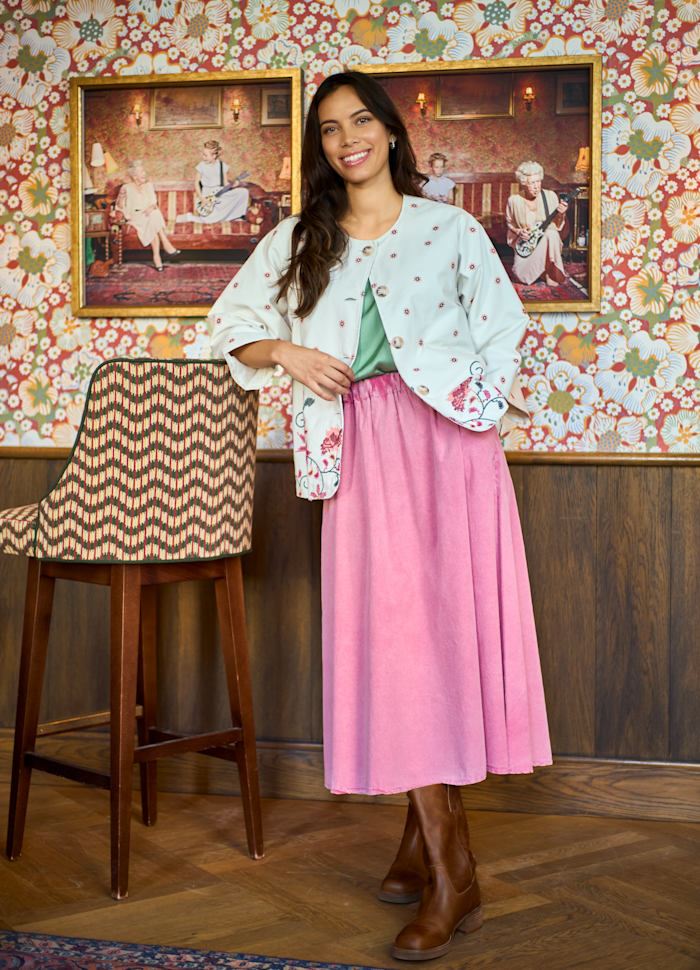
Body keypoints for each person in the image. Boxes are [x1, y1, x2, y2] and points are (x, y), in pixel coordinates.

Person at [209, 71, 551, 962]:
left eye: (360, 121)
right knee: (402, 645)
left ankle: (444, 866)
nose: (346, 138)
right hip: (356, 447)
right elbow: (226, 325)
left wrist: (473, 407)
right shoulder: (300, 240)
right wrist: (286, 352)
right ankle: (441, 855)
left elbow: (504, 328)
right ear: (319, 148)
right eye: (329, 129)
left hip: (450, 450)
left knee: (443, 639)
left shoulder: (449, 229)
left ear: (390, 132)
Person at [505, 160, 569, 287]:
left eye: (538, 181)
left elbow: (558, 226)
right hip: (526, 246)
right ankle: (539, 269)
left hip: (548, 242)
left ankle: (550, 271)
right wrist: (519, 232)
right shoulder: (514, 201)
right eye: (532, 183)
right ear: (524, 184)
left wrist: (562, 214)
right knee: (521, 276)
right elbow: (510, 223)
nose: (536, 186)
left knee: (551, 233)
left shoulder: (550, 196)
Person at [115, 160, 181, 272]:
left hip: (148, 214)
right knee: (154, 216)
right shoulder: (126, 187)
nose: (144, 173)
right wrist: (121, 197)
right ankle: (166, 244)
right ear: (135, 176)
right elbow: (119, 207)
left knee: (154, 215)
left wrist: (151, 207)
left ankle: (157, 257)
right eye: (141, 172)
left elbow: (153, 202)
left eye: (144, 171)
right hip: (136, 216)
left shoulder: (149, 186)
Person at [176, 139, 250, 225]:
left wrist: (234, 184)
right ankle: (190, 217)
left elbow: (225, 184)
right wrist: (202, 198)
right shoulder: (201, 166)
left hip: (220, 194)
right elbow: (196, 183)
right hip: (207, 195)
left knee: (243, 192)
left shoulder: (222, 166)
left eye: (205, 155)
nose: (203, 157)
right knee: (208, 221)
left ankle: (237, 216)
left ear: (214, 156)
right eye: (203, 154)